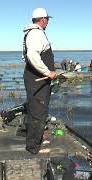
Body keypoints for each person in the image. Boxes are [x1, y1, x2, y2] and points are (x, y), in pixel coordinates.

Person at [22, 8, 57, 155]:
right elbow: (32, 55)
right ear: (43, 19)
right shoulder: (36, 33)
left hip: (36, 78)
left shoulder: (32, 33)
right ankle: (33, 147)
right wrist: (47, 72)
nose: (48, 21)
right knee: (38, 112)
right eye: (47, 19)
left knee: (37, 110)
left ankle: (35, 140)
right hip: (37, 79)